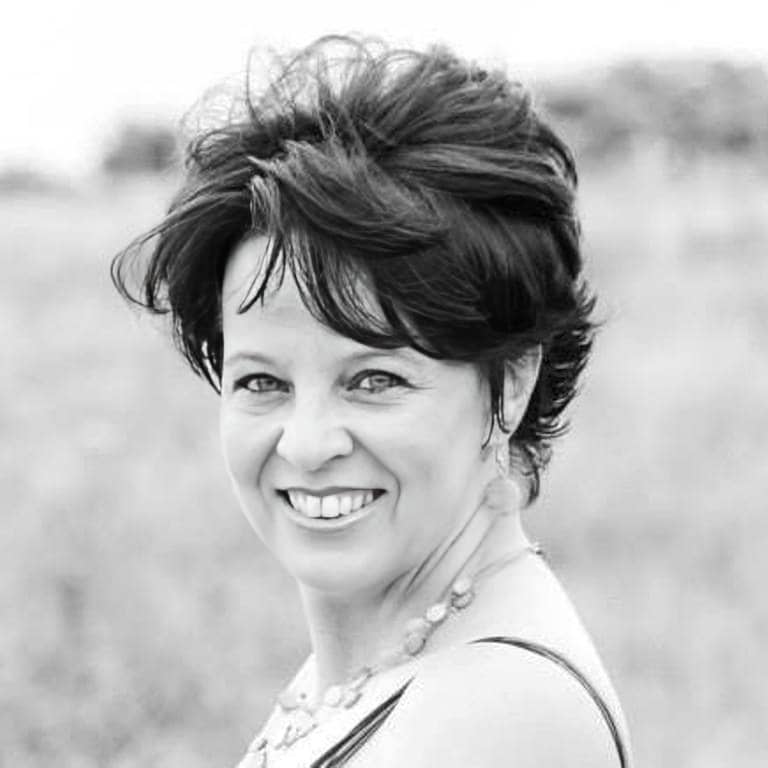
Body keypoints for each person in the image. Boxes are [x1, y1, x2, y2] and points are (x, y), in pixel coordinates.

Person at [113, 35, 632, 768]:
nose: (307, 443)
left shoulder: (500, 716)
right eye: (263, 382)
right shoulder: (387, 664)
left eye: (374, 381)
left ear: (510, 381)